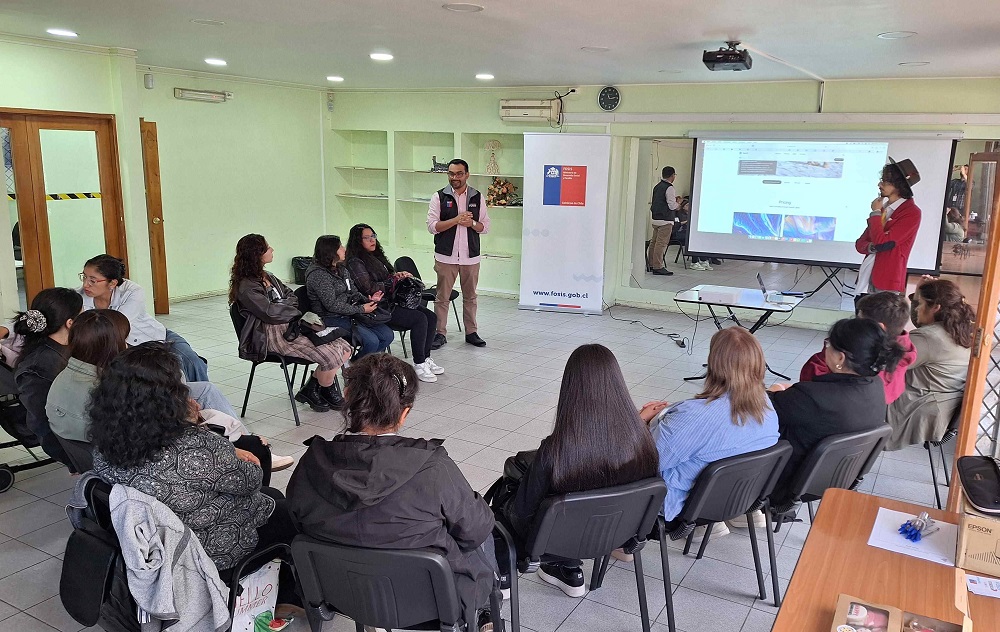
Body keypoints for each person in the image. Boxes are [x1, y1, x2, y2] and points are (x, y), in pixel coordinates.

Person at [286, 354, 498, 632]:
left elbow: (298, 522)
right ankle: (486, 612)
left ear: (347, 395)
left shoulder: (309, 464)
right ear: (404, 412)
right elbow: (476, 529)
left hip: (341, 596)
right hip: (434, 604)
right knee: (480, 524)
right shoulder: (432, 467)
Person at [90, 342, 302, 617]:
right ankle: (291, 592)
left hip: (155, 544)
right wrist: (214, 440)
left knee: (271, 501)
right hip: (208, 553)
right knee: (288, 513)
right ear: (166, 399)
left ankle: (280, 588)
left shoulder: (103, 446)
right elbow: (252, 479)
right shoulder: (195, 447)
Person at [492, 344, 659, 598]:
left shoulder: (556, 451)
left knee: (499, 508)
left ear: (570, 390)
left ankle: (501, 578)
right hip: (616, 536)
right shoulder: (644, 443)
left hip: (550, 542)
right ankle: (568, 569)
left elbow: (521, 515)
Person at [45, 309, 293, 475]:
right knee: (221, 426)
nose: (129, 344)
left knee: (205, 388)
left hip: (102, 455)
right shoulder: (109, 388)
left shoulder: (68, 374)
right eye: (125, 339)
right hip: (133, 461)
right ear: (111, 345)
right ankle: (247, 449)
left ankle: (243, 441)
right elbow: (157, 428)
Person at [653, 328, 780, 535]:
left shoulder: (692, 415)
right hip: (735, 500)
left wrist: (643, 423)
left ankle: (620, 541)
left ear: (714, 364)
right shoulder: (767, 408)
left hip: (679, 508)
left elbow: (645, 463)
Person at [769, 318, 904, 503]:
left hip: (786, 481)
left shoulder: (813, 397)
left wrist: (775, 389)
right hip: (836, 479)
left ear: (841, 358)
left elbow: (761, 409)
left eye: (828, 345)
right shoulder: (875, 386)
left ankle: (738, 507)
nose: (825, 349)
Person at [230, 234, 352, 412]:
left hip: (291, 326)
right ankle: (326, 388)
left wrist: (283, 306)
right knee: (330, 355)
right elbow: (269, 313)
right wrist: (288, 308)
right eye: (268, 247)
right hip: (273, 335)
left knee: (344, 347)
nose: (272, 250)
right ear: (257, 254)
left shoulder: (268, 276)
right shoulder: (247, 286)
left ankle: (312, 389)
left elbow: (292, 297)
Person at [77, 254, 209, 382]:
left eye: (92, 281)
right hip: (125, 350)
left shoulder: (132, 291)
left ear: (112, 283)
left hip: (157, 338)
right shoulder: (78, 297)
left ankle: (202, 399)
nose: (85, 285)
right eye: (84, 277)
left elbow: (119, 324)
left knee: (192, 362)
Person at [345, 223, 443, 383]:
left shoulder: (376, 256)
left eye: (373, 236)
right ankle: (418, 364)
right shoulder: (355, 262)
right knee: (419, 319)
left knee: (431, 316)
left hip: (391, 301)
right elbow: (368, 287)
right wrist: (393, 280)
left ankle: (425, 359)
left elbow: (386, 277)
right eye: (367, 238)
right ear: (358, 241)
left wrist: (397, 275)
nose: (372, 240)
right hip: (377, 307)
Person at [886, 278, 974, 450]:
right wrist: (919, 292)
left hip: (915, 406)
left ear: (936, 308)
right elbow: (921, 322)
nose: (916, 308)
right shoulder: (960, 329)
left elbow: (888, 362)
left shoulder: (928, 338)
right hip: (941, 408)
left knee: (857, 396)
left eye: (920, 303)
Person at [798, 291, 917, 405]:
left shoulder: (865, 355)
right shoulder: (900, 352)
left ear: (879, 327)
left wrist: (831, 350)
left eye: (859, 319)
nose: (855, 322)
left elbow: (811, 381)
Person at [11, 287, 82, 467]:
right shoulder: (37, 366)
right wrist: (72, 459)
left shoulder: (65, 348)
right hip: (70, 443)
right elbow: (41, 420)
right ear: (70, 322)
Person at [426, 158, 490, 349]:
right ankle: (440, 333)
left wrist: (470, 223)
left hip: (471, 257)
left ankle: (471, 332)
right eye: (451, 174)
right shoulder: (439, 197)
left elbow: (484, 227)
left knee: (470, 297)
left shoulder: (477, 197)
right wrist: (455, 220)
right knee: (442, 297)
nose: (455, 177)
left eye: (459, 174)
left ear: (467, 174)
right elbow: (432, 226)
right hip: (446, 256)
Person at [304, 234, 394, 359]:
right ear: (330, 252)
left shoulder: (341, 269)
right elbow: (332, 305)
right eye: (340, 247)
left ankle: (360, 365)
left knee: (387, 335)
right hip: (330, 317)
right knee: (371, 341)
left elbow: (354, 292)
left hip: (350, 313)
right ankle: (356, 369)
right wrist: (362, 309)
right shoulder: (318, 275)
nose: (344, 249)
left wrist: (369, 300)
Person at [854, 159, 922, 294]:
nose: (880, 184)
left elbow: (883, 243)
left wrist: (875, 213)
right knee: (862, 314)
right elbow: (860, 244)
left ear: (898, 185)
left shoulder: (911, 212)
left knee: (883, 314)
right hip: (866, 277)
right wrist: (872, 247)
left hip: (887, 282)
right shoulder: (884, 208)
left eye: (885, 181)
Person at [647, 166, 679, 276]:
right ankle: (658, 266)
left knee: (654, 243)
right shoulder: (669, 188)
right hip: (666, 220)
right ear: (672, 176)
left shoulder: (657, 186)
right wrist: (678, 205)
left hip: (656, 218)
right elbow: (671, 205)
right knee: (661, 244)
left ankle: (651, 264)